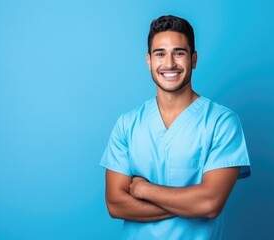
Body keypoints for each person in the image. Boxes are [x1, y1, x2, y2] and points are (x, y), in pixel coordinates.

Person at [100, 15, 251, 240]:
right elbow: (115, 204)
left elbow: (209, 203)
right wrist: (190, 204)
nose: (169, 63)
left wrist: (144, 190)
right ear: (149, 60)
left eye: (179, 53)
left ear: (194, 59)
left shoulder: (221, 122)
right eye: (160, 53)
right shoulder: (127, 124)